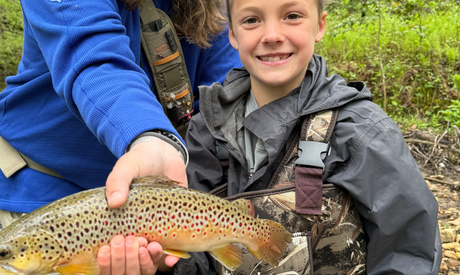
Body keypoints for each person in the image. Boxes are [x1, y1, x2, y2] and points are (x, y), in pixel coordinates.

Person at [175, 0, 442, 274]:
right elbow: (196, 258)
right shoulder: (206, 131)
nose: (272, 35)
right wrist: (165, 262)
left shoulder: (362, 131)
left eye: (291, 16)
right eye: (252, 20)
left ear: (320, 25)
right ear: (232, 33)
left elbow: (408, 251)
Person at [0, 0, 241, 274]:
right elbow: (94, 58)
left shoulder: (213, 7)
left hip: (147, 202)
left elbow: (222, 97)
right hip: (48, 183)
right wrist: (150, 136)